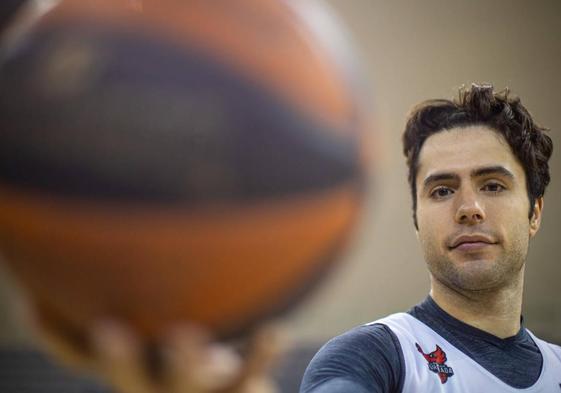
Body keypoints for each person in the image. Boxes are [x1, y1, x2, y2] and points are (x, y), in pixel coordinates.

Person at [300, 84, 561, 392]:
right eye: (442, 191)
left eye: (492, 186)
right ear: (416, 221)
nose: (468, 209)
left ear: (534, 213)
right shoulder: (372, 358)